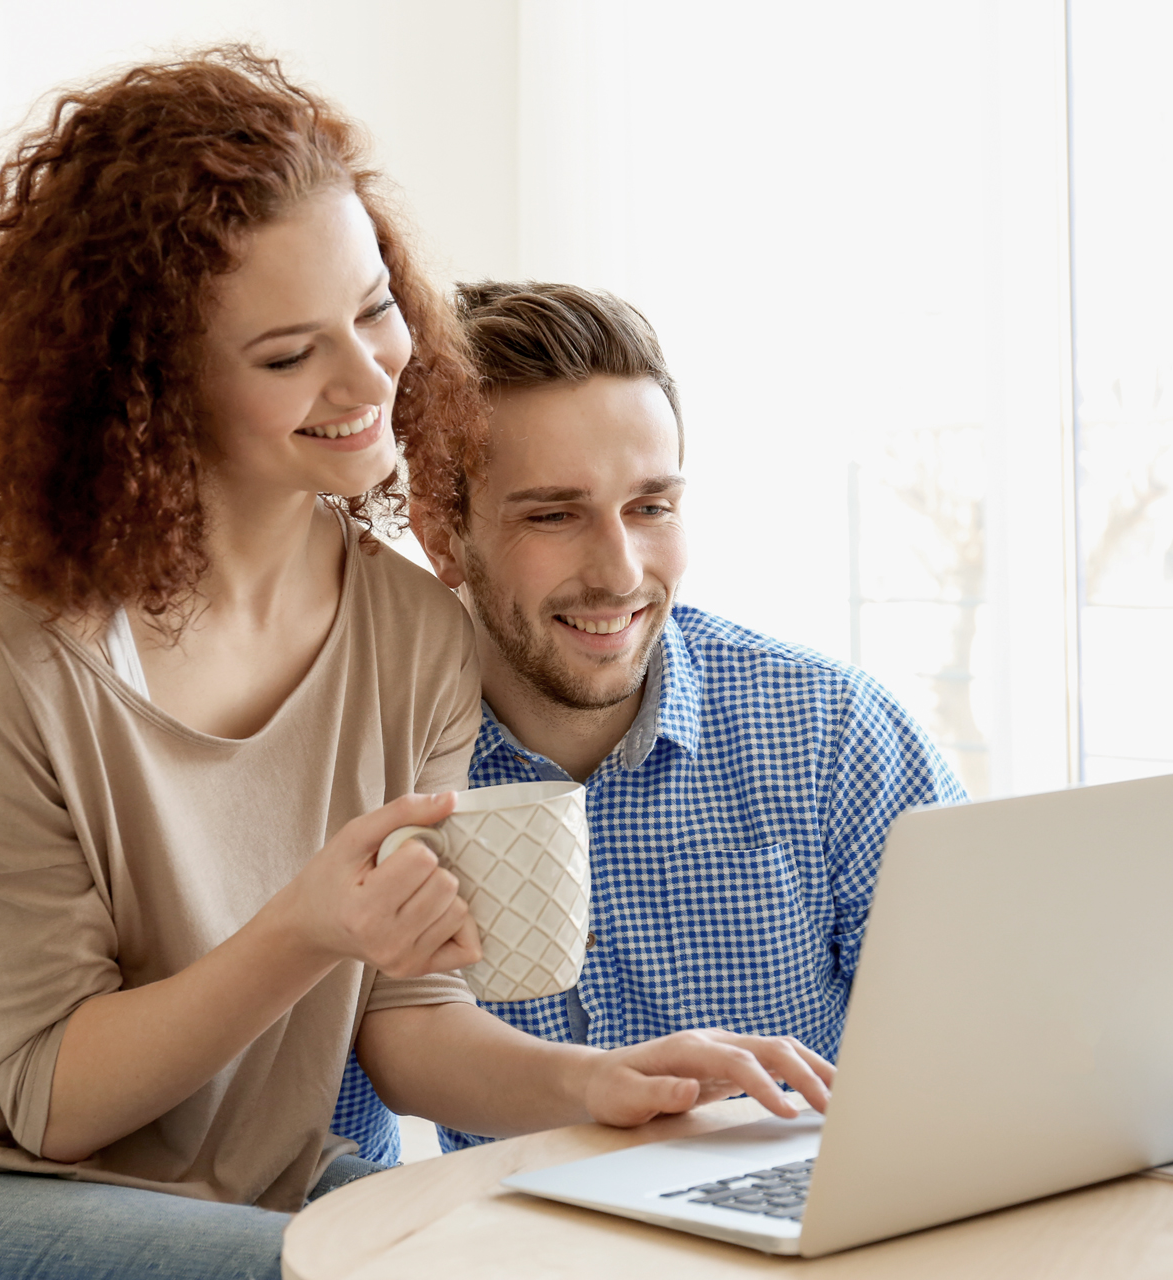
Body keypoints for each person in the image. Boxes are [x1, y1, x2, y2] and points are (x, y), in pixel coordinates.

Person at [0, 53, 831, 1280]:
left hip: (242, 1184)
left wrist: (600, 1082)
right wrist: (310, 925)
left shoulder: (411, 633)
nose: (371, 376)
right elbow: (53, 1097)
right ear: (151, 390)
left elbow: (407, 1021)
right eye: (287, 355)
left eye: (376, 308)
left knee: (561, 1252)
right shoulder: (8, 660)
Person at [330, 282, 964, 1155]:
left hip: (809, 1211)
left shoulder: (835, 735)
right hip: (517, 1228)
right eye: (555, 515)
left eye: (651, 507)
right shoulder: (373, 770)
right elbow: (344, 1126)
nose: (621, 572)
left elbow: (991, 1032)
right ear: (443, 535)